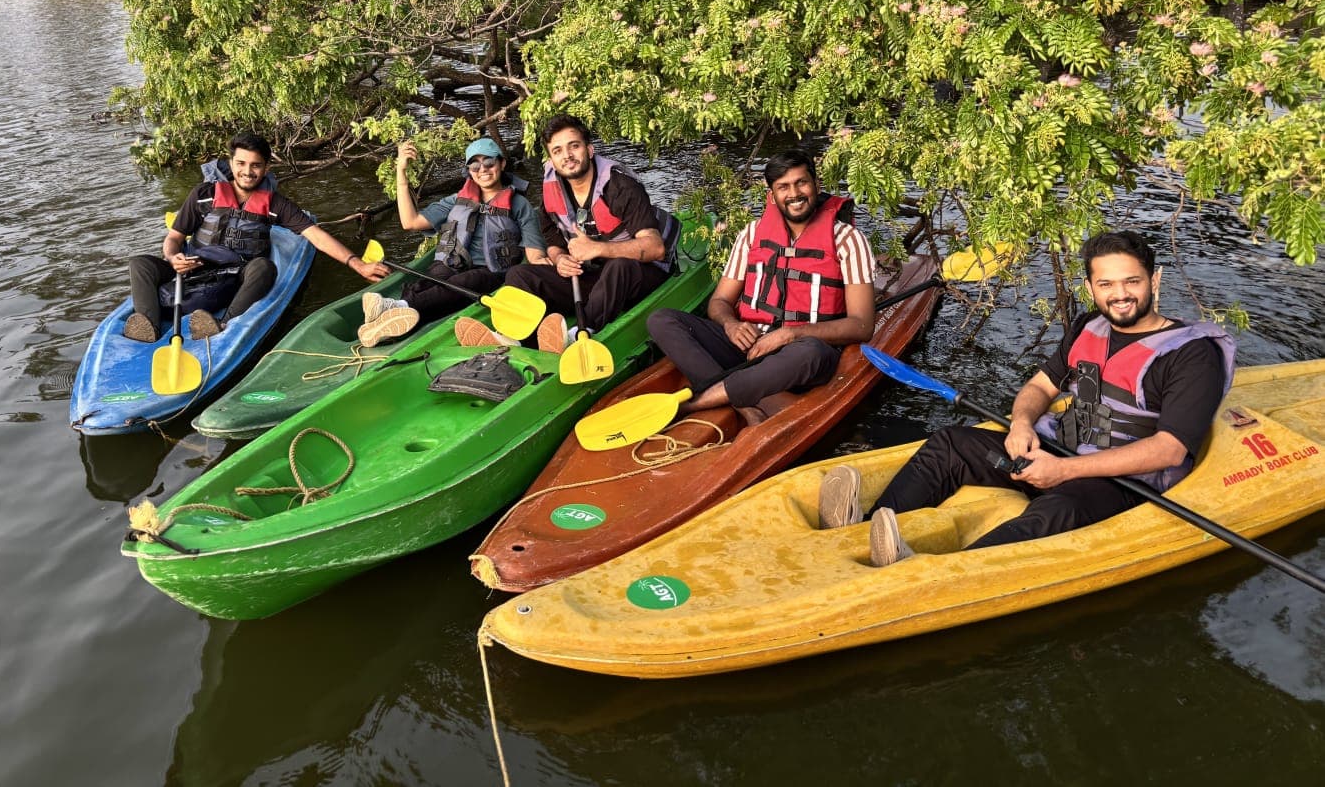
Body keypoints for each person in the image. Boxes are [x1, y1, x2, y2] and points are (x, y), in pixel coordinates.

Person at [822, 230, 1236, 565]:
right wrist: (1021, 425)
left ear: (1154, 281)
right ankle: (865, 528)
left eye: (1132, 281)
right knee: (950, 444)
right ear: (1090, 287)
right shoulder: (1089, 326)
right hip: (1055, 450)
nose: (1120, 294)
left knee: (1057, 511)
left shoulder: (1192, 355)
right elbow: (1040, 386)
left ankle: (931, 570)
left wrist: (1064, 471)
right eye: (1107, 283)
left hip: (1119, 481)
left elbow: (1168, 449)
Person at [645, 148, 877, 420]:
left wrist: (791, 334)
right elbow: (719, 302)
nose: (794, 194)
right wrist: (731, 325)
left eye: (801, 182)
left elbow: (862, 326)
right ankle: (741, 404)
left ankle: (695, 404)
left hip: (801, 354)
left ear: (816, 184)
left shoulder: (847, 240)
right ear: (772, 195)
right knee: (662, 320)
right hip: (749, 347)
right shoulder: (752, 234)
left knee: (812, 352)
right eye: (783, 187)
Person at [124, 131, 388, 342]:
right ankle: (149, 326)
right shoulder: (203, 194)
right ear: (231, 163)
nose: (247, 171)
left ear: (266, 167)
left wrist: (357, 264)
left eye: (255, 165)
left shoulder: (275, 204)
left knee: (264, 267)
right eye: (241, 163)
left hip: (236, 275)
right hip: (195, 268)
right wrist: (173, 257)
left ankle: (223, 323)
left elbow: (315, 235)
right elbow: (174, 237)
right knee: (140, 264)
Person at [493, 114, 679, 352]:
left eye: (574, 146)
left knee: (619, 267)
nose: (567, 156)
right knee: (519, 275)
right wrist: (560, 259)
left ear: (589, 150)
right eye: (558, 151)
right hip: (593, 276)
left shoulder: (620, 187)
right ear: (552, 160)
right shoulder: (552, 188)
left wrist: (598, 248)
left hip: (640, 274)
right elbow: (552, 238)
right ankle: (530, 338)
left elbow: (656, 247)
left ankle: (579, 334)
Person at [358, 136, 547, 346]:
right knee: (431, 279)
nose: (482, 169)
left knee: (468, 280)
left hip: (490, 272)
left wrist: (543, 263)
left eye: (489, 162)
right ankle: (392, 321)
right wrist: (400, 173)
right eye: (475, 165)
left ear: (502, 163)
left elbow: (534, 251)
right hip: (452, 263)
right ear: (469, 171)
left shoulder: (520, 205)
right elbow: (410, 222)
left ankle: (396, 308)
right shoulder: (457, 200)